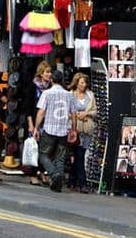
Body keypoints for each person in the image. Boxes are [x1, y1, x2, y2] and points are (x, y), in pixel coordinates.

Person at [34, 64, 75, 192]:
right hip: (63, 130)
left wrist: (36, 127)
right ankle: (58, 182)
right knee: (60, 157)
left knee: (43, 154)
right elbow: (73, 114)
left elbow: (41, 112)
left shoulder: (47, 93)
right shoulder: (69, 95)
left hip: (49, 128)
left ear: (52, 80)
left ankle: (54, 174)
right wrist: (73, 129)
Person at [67, 73, 95, 192]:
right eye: (82, 82)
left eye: (85, 83)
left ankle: (72, 180)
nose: (84, 85)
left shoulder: (90, 95)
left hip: (87, 129)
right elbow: (67, 111)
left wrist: (86, 114)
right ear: (77, 83)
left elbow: (95, 111)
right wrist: (76, 115)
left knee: (80, 155)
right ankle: (83, 183)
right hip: (75, 128)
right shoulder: (70, 95)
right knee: (79, 156)